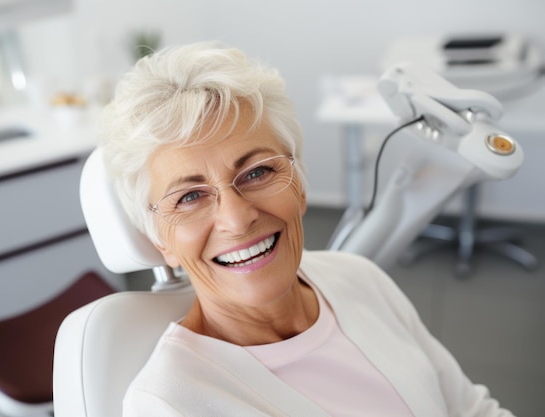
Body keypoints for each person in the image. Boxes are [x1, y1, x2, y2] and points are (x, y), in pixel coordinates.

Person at [100, 41, 515, 417]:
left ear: (299, 185)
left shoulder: (360, 278)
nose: (236, 218)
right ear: (160, 240)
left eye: (258, 171)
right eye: (189, 197)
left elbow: (471, 410)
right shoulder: (168, 403)